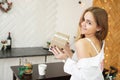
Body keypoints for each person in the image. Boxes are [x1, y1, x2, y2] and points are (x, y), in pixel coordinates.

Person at [49, 6, 108, 80]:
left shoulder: (82, 43)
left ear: (99, 27)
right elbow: (83, 65)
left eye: (89, 23)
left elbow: (83, 76)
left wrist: (65, 58)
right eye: (84, 19)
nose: (83, 24)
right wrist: (68, 50)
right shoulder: (101, 41)